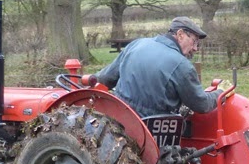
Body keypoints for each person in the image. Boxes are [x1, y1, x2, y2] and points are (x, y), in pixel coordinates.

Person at [90, 16, 224, 118]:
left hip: (119, 119)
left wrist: (89, 79)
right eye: (194, 42)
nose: (195, 48)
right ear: (180, 34)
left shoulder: (136, 44)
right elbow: (201, 104)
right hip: (153, 132)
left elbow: (105, 78)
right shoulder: (182, 66)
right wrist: (220, 93)